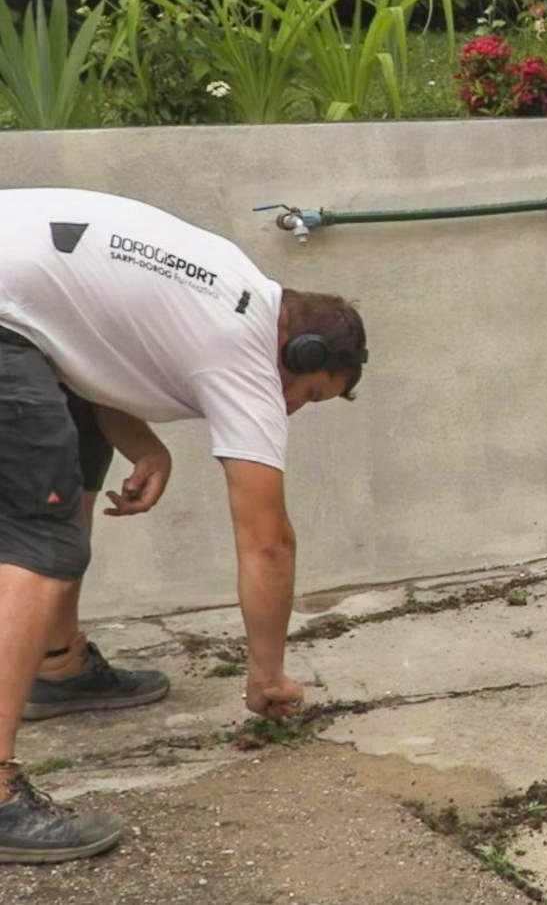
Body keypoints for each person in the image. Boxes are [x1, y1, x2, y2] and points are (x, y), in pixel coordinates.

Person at [0, 187, 368, 863]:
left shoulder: (231, 287)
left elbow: (85, 345)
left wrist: (146, 446)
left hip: (18, 310)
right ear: (303, 351)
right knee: (39, 540)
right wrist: (267, 676)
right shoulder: (243, 344)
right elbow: (267, 542)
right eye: (310, 394)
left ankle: (58, 663)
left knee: (75, 444)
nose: (291, 410)